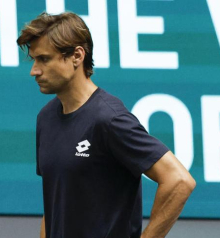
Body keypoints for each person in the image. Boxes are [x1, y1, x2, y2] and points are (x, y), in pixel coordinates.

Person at [17, 12, 196, 238]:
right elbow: (55, 204)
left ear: (77, 56)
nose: (34, 70)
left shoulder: (109, 119)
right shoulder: (45, 117)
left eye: (44, 59)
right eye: (33, 60)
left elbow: (179, 181)